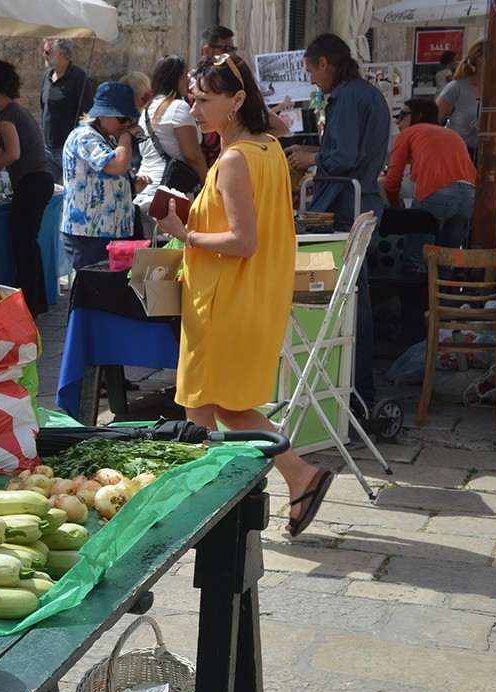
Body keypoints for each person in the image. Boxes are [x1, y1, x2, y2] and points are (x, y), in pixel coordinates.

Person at [156, 54, 331, 537]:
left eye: (204, 100)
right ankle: (295, 477)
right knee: (226, 406)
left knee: (202, 407)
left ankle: (205, 506)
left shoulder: (236, 158)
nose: (195, 110)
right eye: (193, 99)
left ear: (235, 101)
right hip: (246, 294)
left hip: (224, 299)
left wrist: (184, 233)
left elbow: (242, 241)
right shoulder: (267, 147)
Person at [286, 33, 390, 404]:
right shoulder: (367, 94)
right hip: (360, 203)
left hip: (345, 205)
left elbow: (344, 157)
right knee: (354, 299)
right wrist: (312, 150)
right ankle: (356, 390)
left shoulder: (346, 97)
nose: (312, 80)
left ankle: (353, 391)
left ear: (325, 64)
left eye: (312, 71)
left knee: (345, 302)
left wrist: (312, 159)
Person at [0, 59, 56, 317]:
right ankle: (36, 300)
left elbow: (12, 154)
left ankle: (30, 303)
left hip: (31, 183)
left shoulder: (7, 117)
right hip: (40, 180)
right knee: (28, 244)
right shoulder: (19, 112)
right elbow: (7, 158)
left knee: (24, 244)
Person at [383, 98, 475, 269]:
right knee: (447, 261)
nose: (397, 121)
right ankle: (445, 286)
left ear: (418, 116)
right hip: (468, 196)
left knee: (415, 258)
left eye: (402, 115)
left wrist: (396, 207)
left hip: (437, 192)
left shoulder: (409, 133)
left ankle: (416, 284)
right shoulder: (452, 134)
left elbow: (391, 182)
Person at [59, 82, 141, 270]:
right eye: (122, 119)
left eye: (130, 119)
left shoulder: (107, 137)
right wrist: (126, 137)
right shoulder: (85, 137)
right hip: (89, 233)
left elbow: (110, 177)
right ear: (103, 115)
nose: (127, 125)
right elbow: (116, 165)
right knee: (92, 285)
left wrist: (131, 187)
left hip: (109, 231)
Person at [134, 56, 208, 226]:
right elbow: (193, 156)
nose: (188, 79)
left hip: (145, 191)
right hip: (169, 198)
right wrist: (207, 186)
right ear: (177, 77)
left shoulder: (146, 110)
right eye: (185, 74)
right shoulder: (178, 107)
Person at [437, 40, 496, 159]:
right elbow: (434, 122)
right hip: (460, 155)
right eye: (494, 56)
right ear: (478, 59)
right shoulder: (456, 88)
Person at [40, 38, 92, 182]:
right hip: (48, 148)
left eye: (48, 52)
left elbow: (87, 115)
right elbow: (44, 109)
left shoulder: (79, 78)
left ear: (62, 54)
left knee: (69, 190)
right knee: (48, 189)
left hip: (68, 149)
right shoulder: (47, 76)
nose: (44, 55)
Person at [197, 26, 237, 168]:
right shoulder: (192, 84)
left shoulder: (235, 83)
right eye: (226, 49)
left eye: (232, 49)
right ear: (207, 51)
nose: (230, 55)